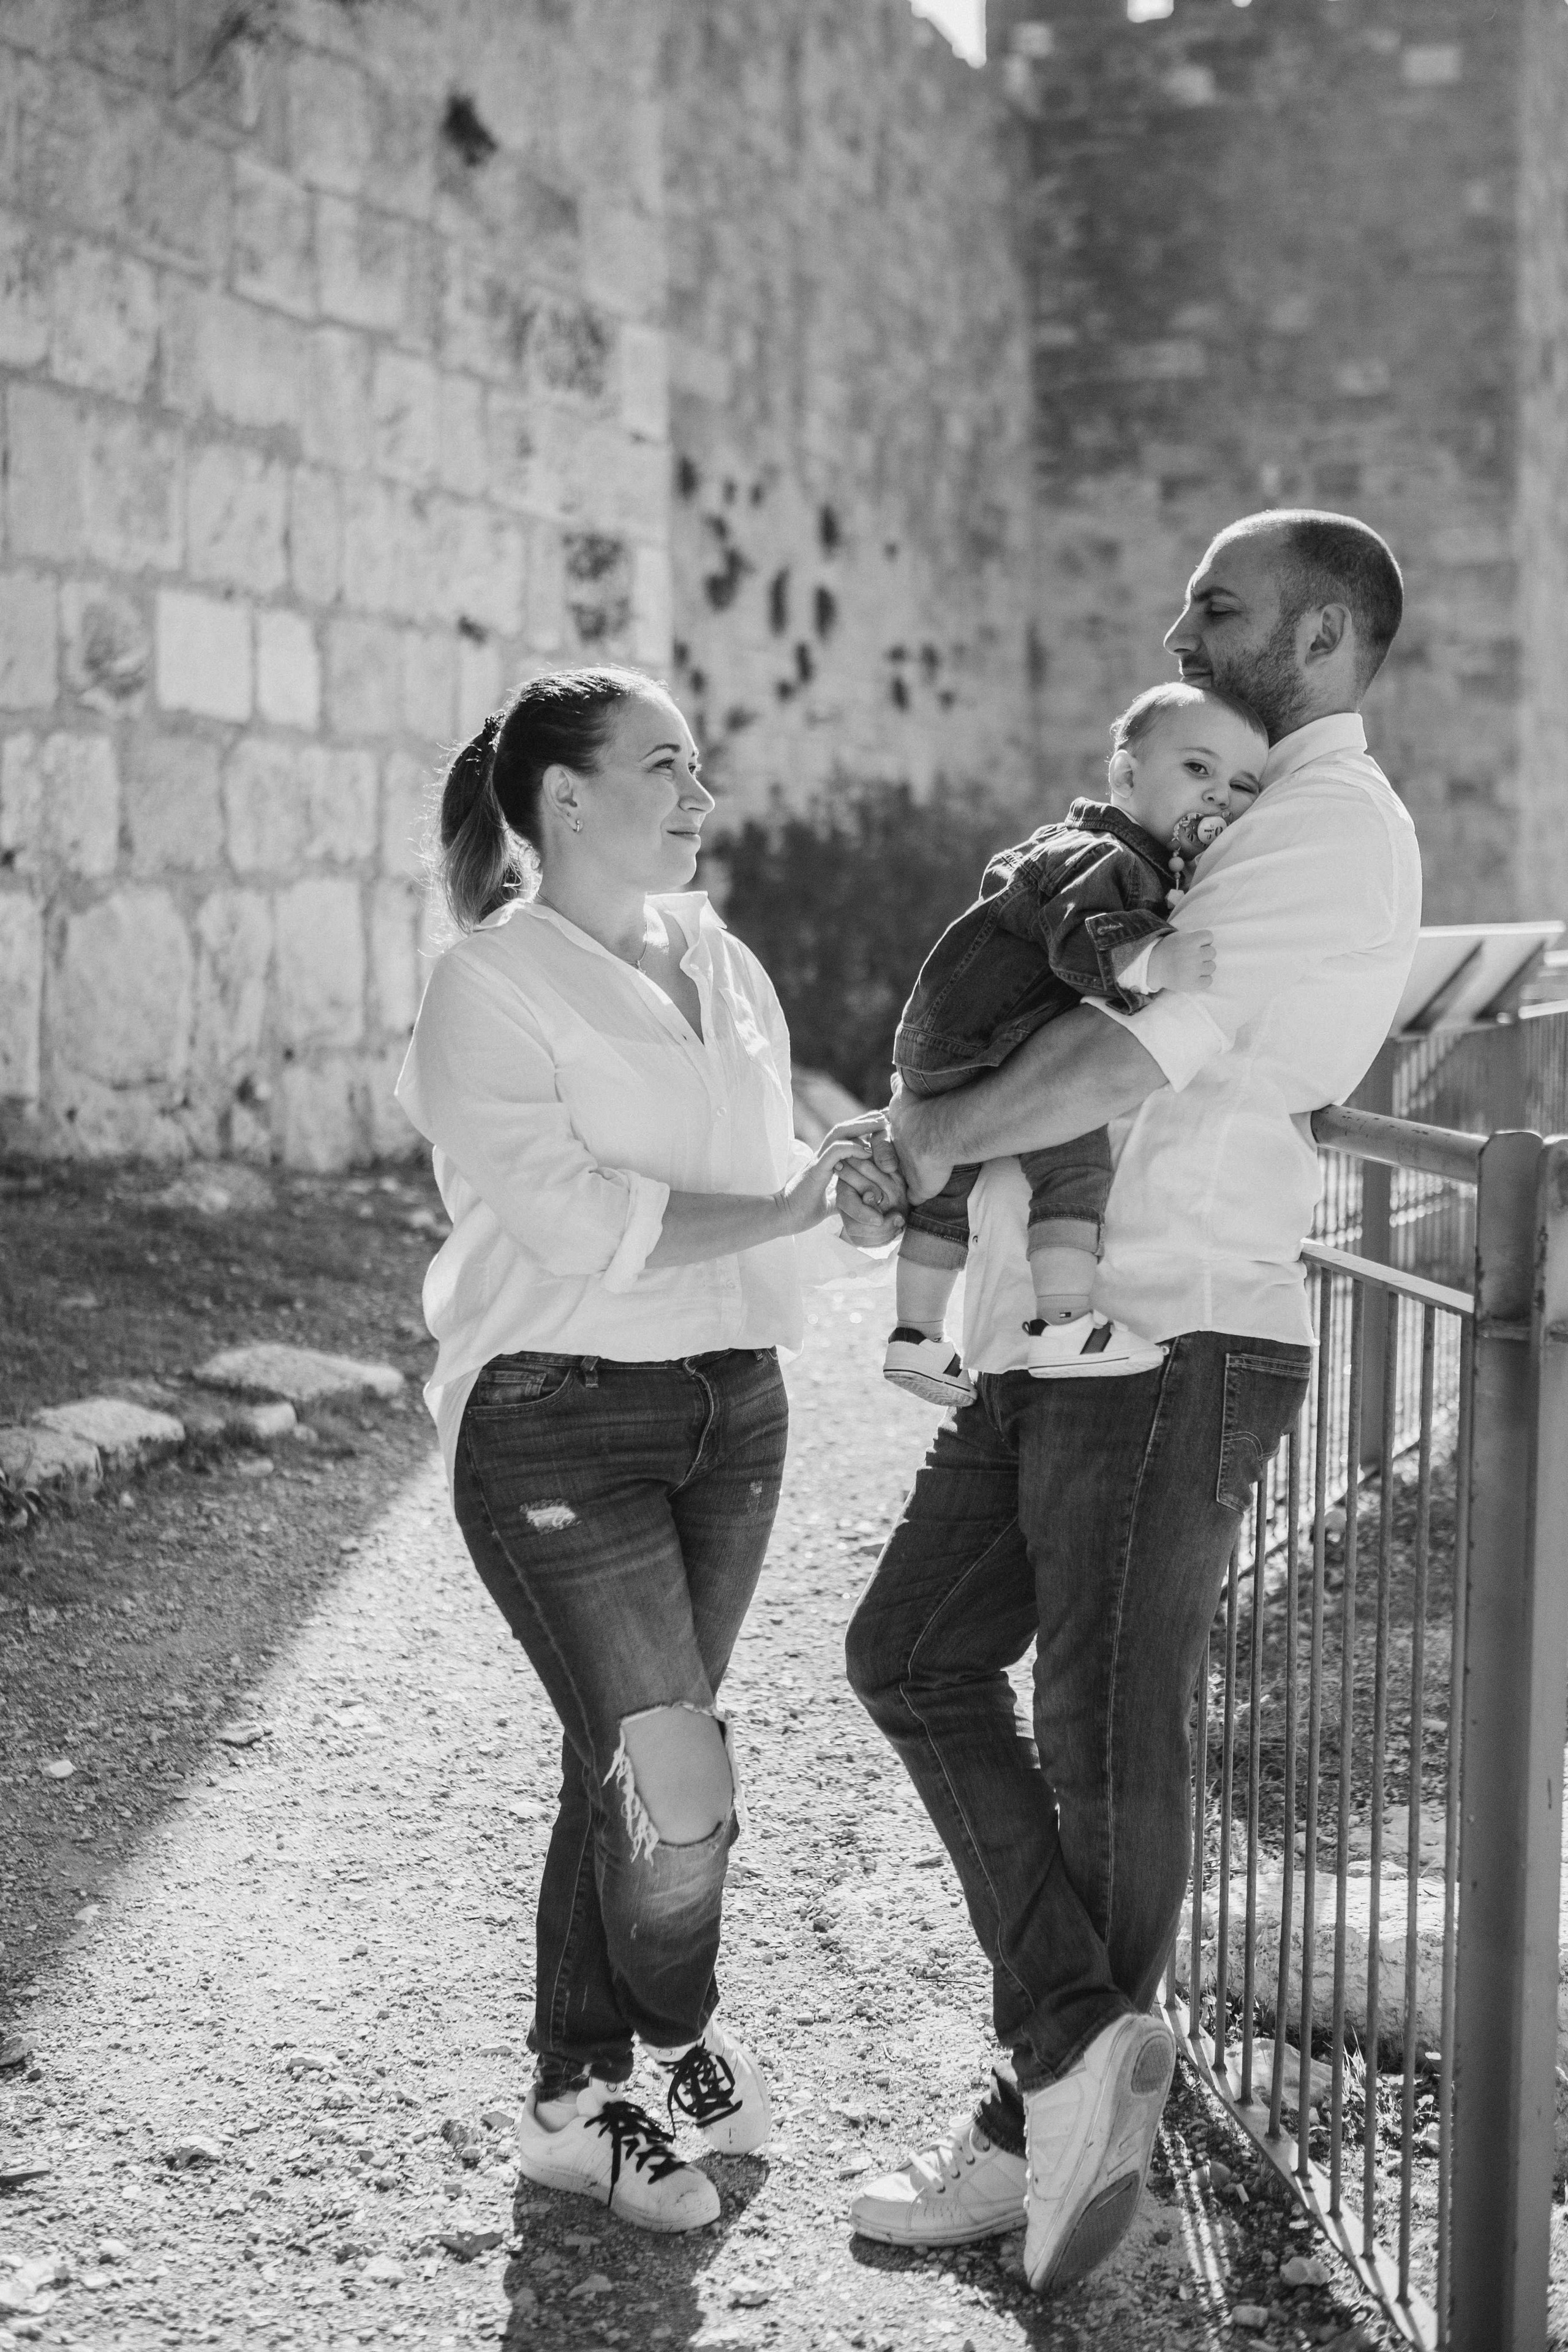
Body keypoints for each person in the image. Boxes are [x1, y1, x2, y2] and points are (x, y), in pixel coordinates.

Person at [844, 511, 1422, 2293]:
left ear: (1320, 637)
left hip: (1173, 1324)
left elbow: (1124, 1048)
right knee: (909, 1652)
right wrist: (933, 1140)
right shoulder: (1227, 805)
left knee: (1101, 1728)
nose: (1179, 626)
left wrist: (925, 1137)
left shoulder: (1325, 824)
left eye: (1217, 604)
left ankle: (1051, 2125)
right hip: (1062, 1324)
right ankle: (1078, 2056)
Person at [395, 665, 903, 2235]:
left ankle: (579, 2089)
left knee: (623, 1755)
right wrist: (782, 1204)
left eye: (696, 764)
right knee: (672, 1777)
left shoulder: (717, 956)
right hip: (556, 1410)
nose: (700, 795)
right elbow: (575, 1222)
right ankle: (656, 2044)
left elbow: (760, 1173)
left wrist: (846, 1205)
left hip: (733, 1406)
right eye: (664, 766)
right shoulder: (487, 986)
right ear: (564, 798)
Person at [884, 682, 1265, 1408]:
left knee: (945, 1190)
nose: (1219, 796)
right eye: (1197, 769)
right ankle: (1065, 1327)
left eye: (1241, 786)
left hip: (952, 1046)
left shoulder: (1092, 850)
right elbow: (1081, 938)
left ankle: (915, 1335)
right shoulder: (1107, 857)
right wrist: (1154, 959)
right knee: (1073, 1167)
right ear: (1125, 775)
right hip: (997, 1041)